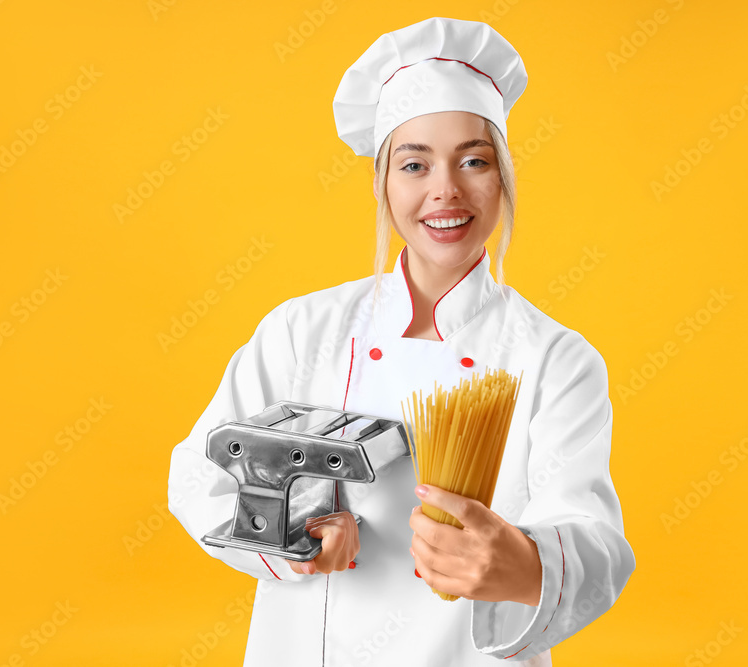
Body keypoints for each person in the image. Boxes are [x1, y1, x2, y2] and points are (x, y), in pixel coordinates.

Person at [167, 16, 635, 666]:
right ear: (384, 182)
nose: (445, 188)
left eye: (474, 160)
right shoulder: (302, 331)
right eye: (415, 163)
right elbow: (197, 473)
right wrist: (292, 534)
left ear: (502, 179)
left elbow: (596, 541)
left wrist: (520, 564)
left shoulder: (555, 359)